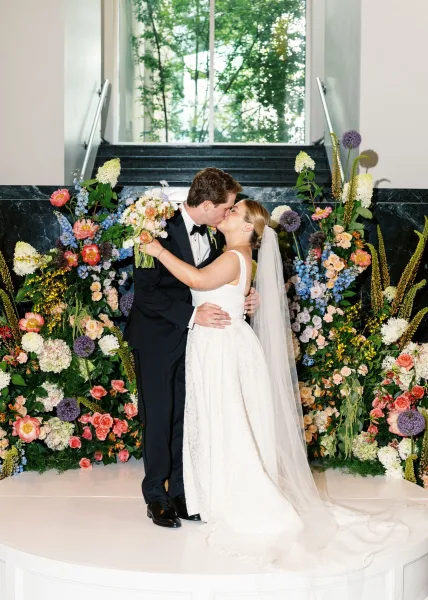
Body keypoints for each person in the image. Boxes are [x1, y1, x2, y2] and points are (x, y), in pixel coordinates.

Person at [144, 199, 407, 572]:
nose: (226, 214)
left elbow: (198, 281)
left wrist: (155, 249)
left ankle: (236, 497)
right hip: (215, 345)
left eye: (233, 213)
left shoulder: (235, 255)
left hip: (221, 348)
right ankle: (215, 493)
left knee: (228, 419)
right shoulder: (237, 255)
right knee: (220, 418)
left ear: (248, 228)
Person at [124, 168, 258, 529]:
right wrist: (191, 315)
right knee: (160, 415)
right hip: (157, 337)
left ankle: (185, 494)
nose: (229, 214)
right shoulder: (151, 227)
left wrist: (243, 296)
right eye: (227, 208)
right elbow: (147, 293)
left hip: (199, 343)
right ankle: (156, 494)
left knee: (189, 416)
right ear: (210, 205)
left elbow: (215, 281)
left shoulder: (218, 237)